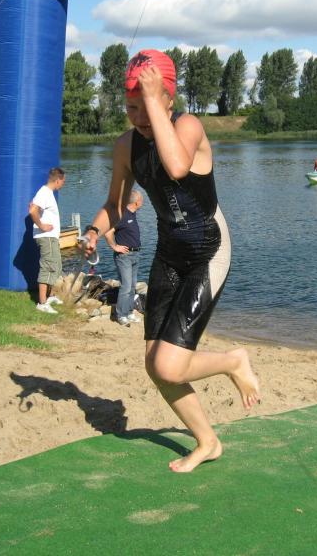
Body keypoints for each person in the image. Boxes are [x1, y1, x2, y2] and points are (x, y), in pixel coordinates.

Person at [83, 49, 260, 473]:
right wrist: (92, 231)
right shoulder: (126, 145)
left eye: (147, 105)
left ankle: (234, 360)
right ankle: (208, 441)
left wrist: (153, 101)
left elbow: (177, 166)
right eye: (131, 108)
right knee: (156, 365)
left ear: (169, 98)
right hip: (169, 253)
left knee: (170, 363)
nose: (139, 117)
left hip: (208, 249)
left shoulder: (189, 126)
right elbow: (115, 204)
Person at [29, 167, 66, 314]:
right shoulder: (44, 192)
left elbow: (33, 206)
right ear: (57, 180)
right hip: (46, 237)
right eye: (63, 181)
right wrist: (42, 226)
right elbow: (32, 210)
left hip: (51, 237)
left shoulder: (47, 193)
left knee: (56, 266)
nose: (63, 184)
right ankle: (42, 303)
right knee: (48, 267)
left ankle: (49, 297)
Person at [105, 189, 144, 326]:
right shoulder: (122, 215)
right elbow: (108, 232)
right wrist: (114, 246)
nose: (143, 202)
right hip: (124, 256)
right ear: (137, 202)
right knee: (126, 286)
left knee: (132, 286)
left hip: (135, 254)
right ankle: (121, 315)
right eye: (142, 200)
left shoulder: (133, 214)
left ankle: (129, 312)